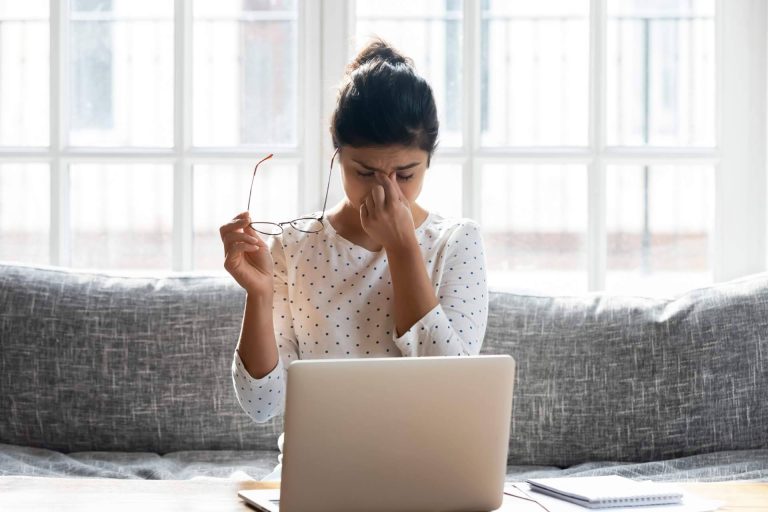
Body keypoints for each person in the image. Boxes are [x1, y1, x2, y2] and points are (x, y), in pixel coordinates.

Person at [219, 38, 489, 481]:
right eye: (364, 173)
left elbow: (451, 389)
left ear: (429, 162)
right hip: (319, 478)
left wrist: (403, 247)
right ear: (337, 156)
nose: (386, 191)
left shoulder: (457, 242)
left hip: (426, 478)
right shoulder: (294, 245)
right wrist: (259, 296)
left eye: (405, 174)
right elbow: (261, 405)